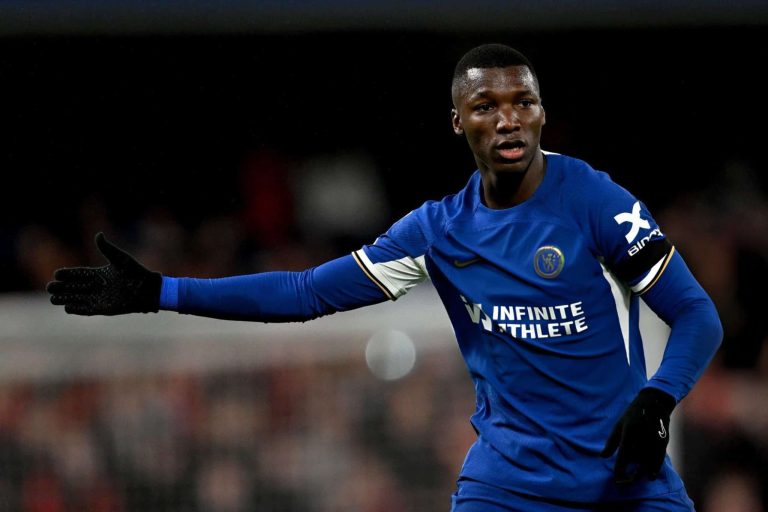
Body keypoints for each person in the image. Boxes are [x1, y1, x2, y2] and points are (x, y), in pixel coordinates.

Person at [47, 43, 723, 511]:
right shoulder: (437, 231)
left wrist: (659, 399)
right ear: (460, 122)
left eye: (523, 102)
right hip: (510, 485)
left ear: (543, 113)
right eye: (487, 105)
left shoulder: (596, 202)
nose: (508, 118)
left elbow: (697, 314)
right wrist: (162, 292)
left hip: (625, 481)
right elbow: (309, 292)